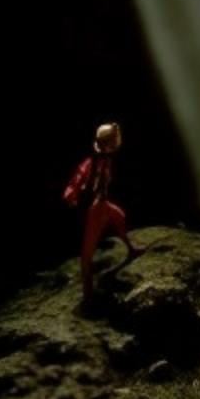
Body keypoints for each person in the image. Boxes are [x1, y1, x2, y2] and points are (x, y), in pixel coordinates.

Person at [63, 122, 143, 303]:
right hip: (95, 208)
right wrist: (71, 196)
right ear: (107, 143)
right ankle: (88, 294)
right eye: (113, 141)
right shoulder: (92, 162)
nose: (116, 144)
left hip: (102, 202)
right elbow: (77, 179)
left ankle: (131, 249)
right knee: (87, 254)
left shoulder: (105, 159)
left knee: (119, 216)